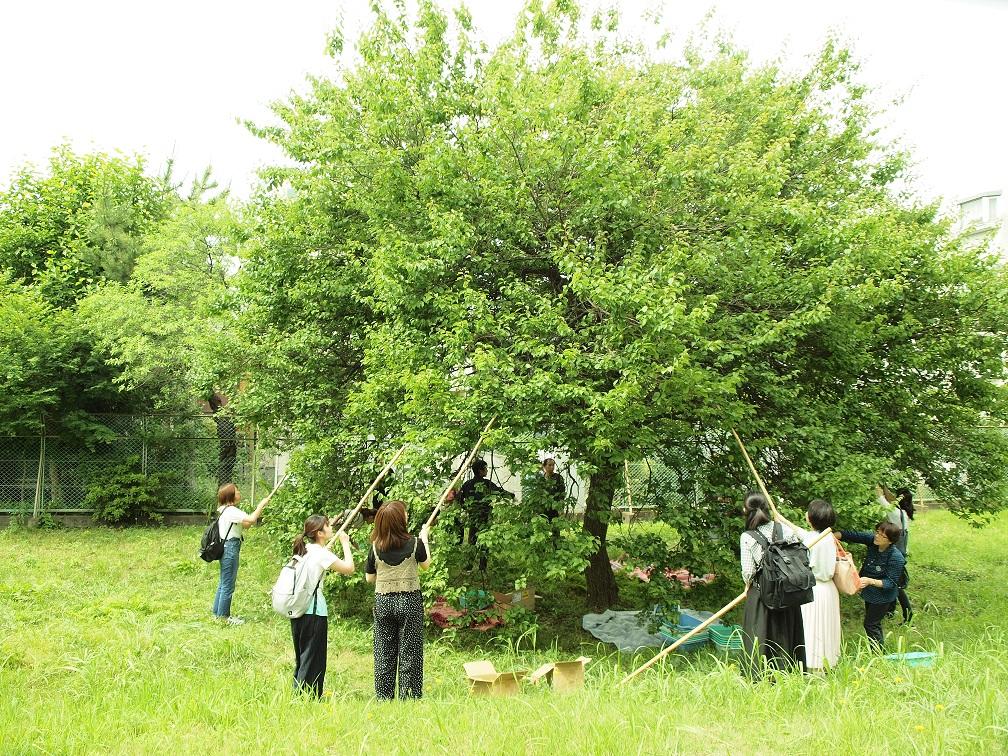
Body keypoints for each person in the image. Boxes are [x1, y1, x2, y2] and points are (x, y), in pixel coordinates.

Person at [366, 500, 432, 699]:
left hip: (383, 602)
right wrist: (425, 537)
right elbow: (426, 565)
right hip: (409, 600)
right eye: (404, 514)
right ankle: (409, 695)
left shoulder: (375, 547)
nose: (407, 515)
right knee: (410, 650)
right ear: (398, 521)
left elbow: (370, 578)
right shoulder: (414, 543)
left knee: (384, 651)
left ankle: (384, 697)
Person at [739, 492, 806, 676]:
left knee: (759, 634)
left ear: (746, 511)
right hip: (788, 590)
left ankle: (760, 674)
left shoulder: (747, 537)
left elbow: (749, 571)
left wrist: (747, 585)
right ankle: (790, 671)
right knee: (788, 631)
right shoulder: (785, 530)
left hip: (763, 593)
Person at [289, 515, 355, 698]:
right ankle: (305, 698)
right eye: (327, 525)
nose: (330, 526)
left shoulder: (304, 550)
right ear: (319, 533)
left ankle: (302, 695)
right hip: (314, 612)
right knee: (314, 658)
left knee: (302, 656)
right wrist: (345, 544)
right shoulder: (322, 554)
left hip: (297, 610)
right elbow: (349, 568)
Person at [771, 499, 840, 670]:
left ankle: (812, 665)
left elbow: (799, 537)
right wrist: (781, 519)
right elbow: (802, 532)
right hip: (829, 589)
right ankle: (826, 663)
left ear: (811, 518)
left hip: (813, 589)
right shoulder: (827, 536)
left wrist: (781, 523)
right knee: (825, 627)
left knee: (811, 628)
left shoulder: (812, 541)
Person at [211, 480, 281, 624]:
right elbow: (252, 519)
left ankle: (217, 613)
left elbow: (248, 524)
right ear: (230, 495)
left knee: (224, 581)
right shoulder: (231, 511)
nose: (239, 493)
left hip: (227, 547)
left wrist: (259, 510)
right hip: (230, 548)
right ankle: (223, 617)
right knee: (228, 583)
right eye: (236, 491)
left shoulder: (226, 510)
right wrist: (261, 505)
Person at [837, 520, 906, 651]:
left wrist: (870, 581)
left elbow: (890, 583)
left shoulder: (896, 557)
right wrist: (833, 535)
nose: (877, 536)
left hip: (883, 596)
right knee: (874, 623)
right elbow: (853, 535)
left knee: (870, 624)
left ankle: (878, 653)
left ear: (890, 541)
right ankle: (878, 649)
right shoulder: (873, 541)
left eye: (882, 536)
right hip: (870, 593)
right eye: (877, 532)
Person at [456, 459, 512, 570]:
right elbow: (499, 491)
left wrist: (467, 509)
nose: (487, 470)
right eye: (485, 469)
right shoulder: (486, 483)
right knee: (485, 541)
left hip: (473, 517)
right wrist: (511, 495)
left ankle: (469, 565)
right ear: (480, 471)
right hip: (484, 516)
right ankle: (482, 567)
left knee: (472, 540)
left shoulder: (467, 484)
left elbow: (459, 499)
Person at [885, 487, 914, 623]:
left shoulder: (895, 513)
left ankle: (908, 615)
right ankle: (890, 611)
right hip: (901, 554)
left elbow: (880, 500)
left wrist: (879, 487)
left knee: (897, 586)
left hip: (894, 555)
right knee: (893, 583)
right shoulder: (904, 514)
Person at [536, 457, 567, 523]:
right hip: (543, 508)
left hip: (555, 508)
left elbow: (562, 493)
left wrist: (560, 507)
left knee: (555, 528)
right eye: (549, 465)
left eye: (553, 465)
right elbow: (538, 493)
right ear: (544, 466)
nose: (552, 467)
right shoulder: (541, 479)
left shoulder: (558, 477)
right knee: (543, 528)